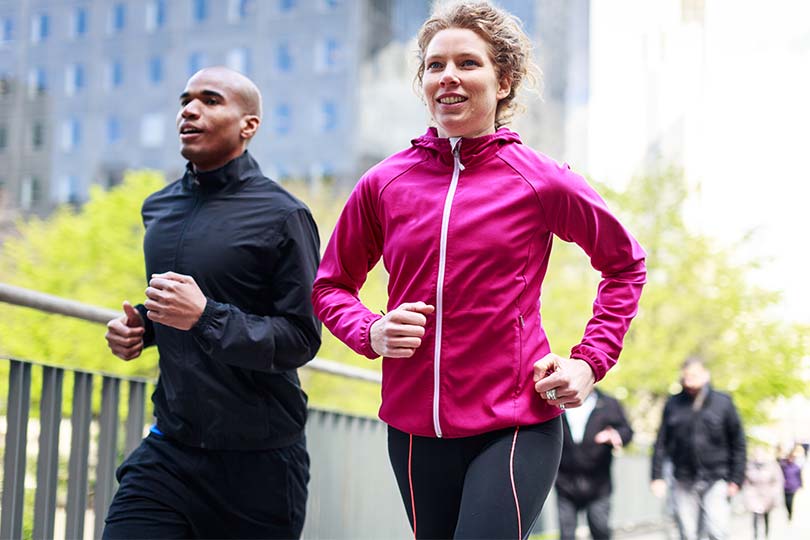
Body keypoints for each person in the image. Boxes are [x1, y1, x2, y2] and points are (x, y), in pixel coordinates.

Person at [311, 2, 647, 538]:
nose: (448, 76)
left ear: (503, 80)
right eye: (435, 65)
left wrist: (590, 362)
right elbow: (331, 286)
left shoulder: (542, 180)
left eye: (468, 63)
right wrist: (370, 331)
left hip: (515, 422)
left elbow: (625, 264)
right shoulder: (383, 184)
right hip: (414, 429)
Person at [102, 66, 321, 539]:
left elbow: (301, 338)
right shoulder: (159, 208)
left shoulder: (283, 214)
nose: (190, 110)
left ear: (249, 125)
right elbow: (180, 304)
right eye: (185, 101)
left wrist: (205, 316)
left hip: (260, 464)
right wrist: (142, 327)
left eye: (210, 99)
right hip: (170, 450)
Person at [651, 357, 747, 540]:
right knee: (687, 532)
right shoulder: (673, 404)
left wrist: (736, 479)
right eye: (686, 377)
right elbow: (661, 442)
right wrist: (657, 476)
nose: (689, 381)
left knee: (717, 530)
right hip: (683, 477)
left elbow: (738, 443)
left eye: (694, 376)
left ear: (705, 375)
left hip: (716, 476)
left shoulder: (723, 402)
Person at [555, 389, 633, 540]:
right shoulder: (557, 401)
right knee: (566, 534)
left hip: (599, 483)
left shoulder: (608, 403)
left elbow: (627, 431)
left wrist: (615, 435)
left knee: (600, 529)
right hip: (565, 482)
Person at [742, 446, 783, 539]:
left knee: (766, 516)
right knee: (755, 516)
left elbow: (778, 480)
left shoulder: (772, 466)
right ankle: (755, 536)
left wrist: (774, 492)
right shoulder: (749, 466)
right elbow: (746, 481)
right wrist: (748, 493)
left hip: (768, 495)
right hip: (754, 495)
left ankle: (766, 535)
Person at [778, 444, 804, 521]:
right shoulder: (784, 465)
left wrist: (801, 485)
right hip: (785, 487)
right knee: (786, 502)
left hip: (792, 487)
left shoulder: (796, 467)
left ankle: (790, 513)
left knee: (790, 501)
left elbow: (799, 476)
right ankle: (789, 511)